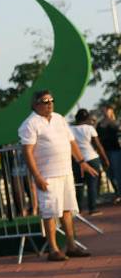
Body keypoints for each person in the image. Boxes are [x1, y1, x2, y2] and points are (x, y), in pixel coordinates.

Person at [19, 90, 98, 261]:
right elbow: (28, 152)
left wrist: (82, 161)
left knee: (67, 210)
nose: (49, 104)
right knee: (50, 212)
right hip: (47, 175)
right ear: (35, 104)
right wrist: (37, 176)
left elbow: (71, 142)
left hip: (66, 172)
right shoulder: (30, 124)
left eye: (51, 100)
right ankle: (53, 249)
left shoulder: (59, 118)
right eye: (44, 101)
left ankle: (71, 246)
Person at [70, 109, 110, 216]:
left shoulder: (70, 129)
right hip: (92, 158)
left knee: (79, 184)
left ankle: (78, 209)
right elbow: (98, 145)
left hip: (77, 160)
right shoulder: (90, 128)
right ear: (87, 118)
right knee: (92, 184)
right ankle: (93, 208)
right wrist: (105, 159)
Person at [96, 106, 121, 202]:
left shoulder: (115, 122)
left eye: (107, 110)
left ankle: (119, 193)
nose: (105, 111)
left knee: (117, 172)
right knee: (109, 173)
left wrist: (111, 120)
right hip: (104, 151)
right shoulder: (100, 124)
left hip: (115, 150)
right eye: (103, 110)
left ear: (111, 111)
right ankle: (116, 192)